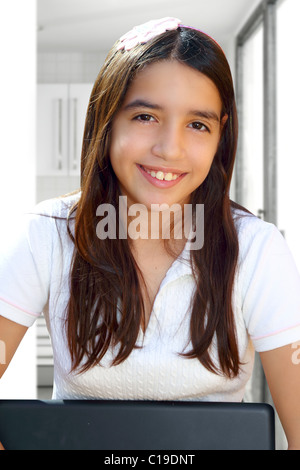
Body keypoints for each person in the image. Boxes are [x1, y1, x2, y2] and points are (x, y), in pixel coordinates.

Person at [0, 17, 300, 450]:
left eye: (197, 125)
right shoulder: (45, 236)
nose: (169, 149)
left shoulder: (257, 250)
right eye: (145, 116)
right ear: (106, 122)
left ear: (221, 136)